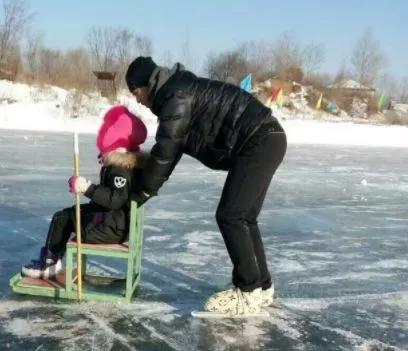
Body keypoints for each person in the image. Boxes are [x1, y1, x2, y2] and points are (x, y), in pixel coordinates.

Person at [126, 57, 287, 315]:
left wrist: (142, 191)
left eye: (135, 92)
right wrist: (147, 184)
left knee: (231, 215)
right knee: (245, 217)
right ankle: (261, 286)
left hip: (259, 140)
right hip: (268, 137)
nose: (137, 100)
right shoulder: (179, 91)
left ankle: (247, 290)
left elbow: (165, 152)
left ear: (146, 85)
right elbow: (172, 150)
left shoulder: (176, 96)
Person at [22, 105, 148, 279]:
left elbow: (115, 200)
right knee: (68, 214)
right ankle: (52, 258)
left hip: (109, 229)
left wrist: (86, 187)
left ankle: (50, 263)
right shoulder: (124, 164)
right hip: (115, 223)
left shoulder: (120, 169)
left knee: (62, 218)